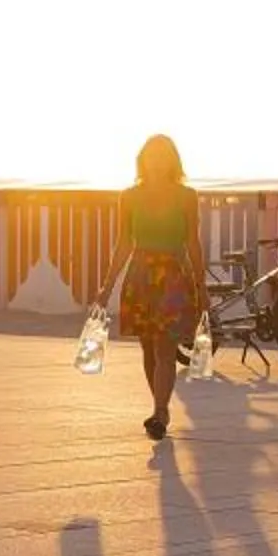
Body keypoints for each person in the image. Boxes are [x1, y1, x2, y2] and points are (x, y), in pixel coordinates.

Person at [116, 134, 205, 441]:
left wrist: (201, 284)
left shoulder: (187, 196)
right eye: (152, 155)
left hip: (173, 275)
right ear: (143, 159)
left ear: (172, 160)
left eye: (163, 155)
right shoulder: (128, 196)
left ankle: (159, 413)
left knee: (165, 346)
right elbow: (124, 243)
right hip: (140, 274)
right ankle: (161, 407)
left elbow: (193, 242)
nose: (157, 161)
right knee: (147, 348)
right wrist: (106, 284)